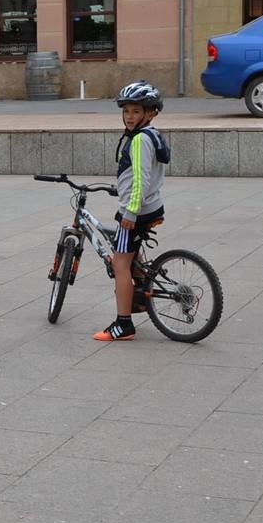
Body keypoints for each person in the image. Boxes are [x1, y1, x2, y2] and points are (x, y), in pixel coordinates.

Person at [95, 81, 171, 342]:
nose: (129, 116)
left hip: (137, 212)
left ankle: (123, 324)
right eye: (126, 111)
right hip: (151, 205)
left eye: (136, 111)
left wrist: (130, 211)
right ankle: (138, 300)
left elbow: (141, 177)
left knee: (120, 264)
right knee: (132, 258)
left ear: (151, 112)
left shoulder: (139, 140)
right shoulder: (152, 134)